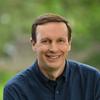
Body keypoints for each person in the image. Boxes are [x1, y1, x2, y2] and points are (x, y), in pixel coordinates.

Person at [3, 13, 100, 100]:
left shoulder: (93, 80)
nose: (53, 49)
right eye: (45, 41)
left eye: (60, 41)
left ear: (69, 44)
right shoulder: (15, 89)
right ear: (33, 44)